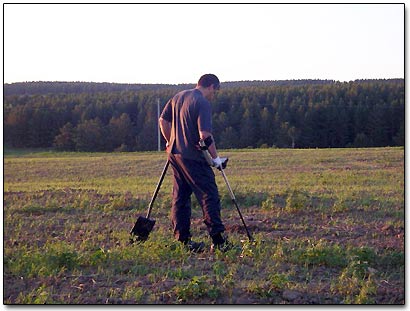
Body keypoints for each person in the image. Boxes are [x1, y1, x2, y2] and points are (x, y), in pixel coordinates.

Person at [159, 74, 230, 253]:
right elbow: (205, 136)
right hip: (193, 157)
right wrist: (216, 159)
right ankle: (219, 241)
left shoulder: (178, 96)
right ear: (212, 86)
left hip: (175, 156)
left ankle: (183, 241)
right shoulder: (202, 103)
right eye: (216, 90)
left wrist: (170, 142)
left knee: (180, 197)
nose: (214, 95)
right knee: (209, 195)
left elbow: (163, 120)